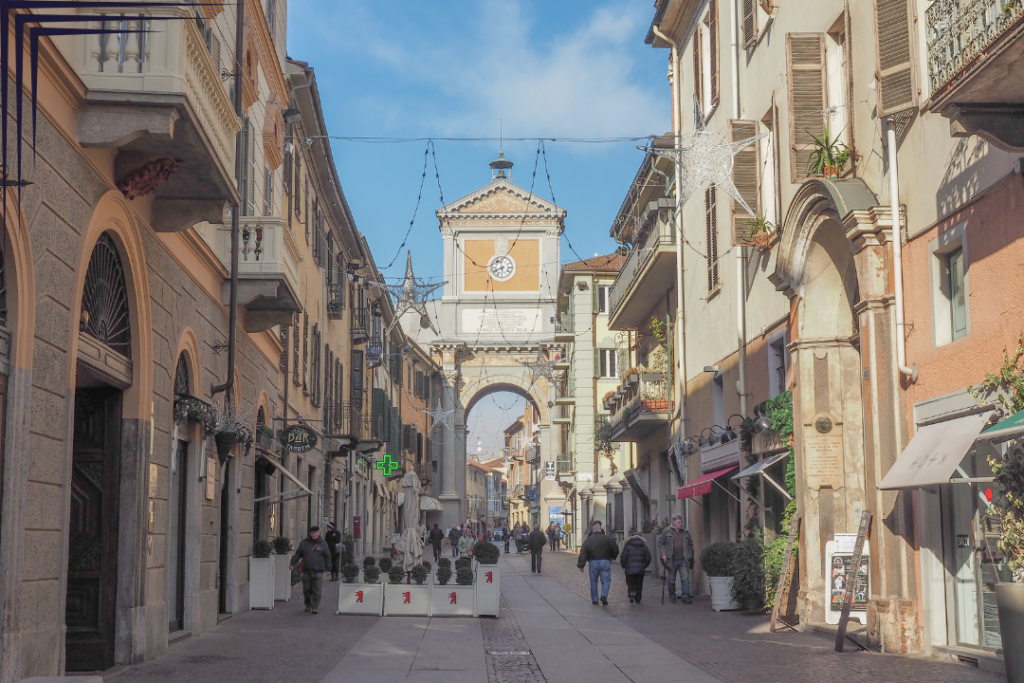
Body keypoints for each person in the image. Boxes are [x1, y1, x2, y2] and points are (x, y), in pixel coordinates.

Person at [290, 526, 332, 614]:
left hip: (318, 570)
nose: (314, 535)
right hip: (306, 570)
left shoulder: (323, 544)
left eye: (316, 533)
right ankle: (308, 605)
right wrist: (292, 563)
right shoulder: (304, 543)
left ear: (319, 533)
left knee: (317, 590)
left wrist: (328, 569)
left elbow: (328, 557)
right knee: (307, 589)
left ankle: (315, 607)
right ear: (310, 534)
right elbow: (298, 554)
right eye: (312, 533)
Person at [577, 521, 619, 605]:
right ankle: (604, 595)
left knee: (593, 581)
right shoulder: (607, 539)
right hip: (605, 561)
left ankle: (595, 599)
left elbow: (583, 552)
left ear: (593, 531)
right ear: (601, 530)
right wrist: (612, 557)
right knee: (606, 580)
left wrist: (581, 565)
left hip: (593, 562)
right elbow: (615, 549)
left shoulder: (588, 540)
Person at [657, 514, 694, 604]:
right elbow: (660, 543)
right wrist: (663, 554)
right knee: (671, 579)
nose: (680, 524)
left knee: (685, 578)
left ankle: (685, 596)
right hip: (671, 559)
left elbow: (690, 544)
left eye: (681, 522)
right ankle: (672, 596)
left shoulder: (685, 532)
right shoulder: (667, 531)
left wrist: (690, 555)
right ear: (673, 522)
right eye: (678, 522)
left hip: (683, 559)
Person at [619, 532, 652, 604]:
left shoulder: (627, 546)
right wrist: (644, 566)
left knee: (630, 582)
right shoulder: (644, 546)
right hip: (640, 570)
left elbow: (623, 557)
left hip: (630, 569)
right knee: (639, 584)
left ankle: (631, 592)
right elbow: (648, 558)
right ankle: (638, 598)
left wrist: (624, 565)